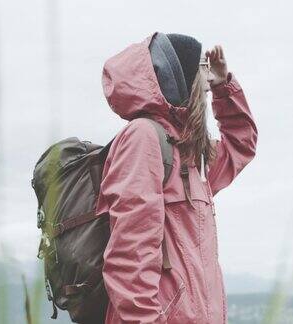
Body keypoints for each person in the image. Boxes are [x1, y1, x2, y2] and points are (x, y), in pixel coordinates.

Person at [95, 32, 258, 323]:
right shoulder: (144, 139)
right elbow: (129, 257)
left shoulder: (191, 153)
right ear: (182, 81)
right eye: (202, 78)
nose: (206, 89)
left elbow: (241, 144)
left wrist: (224, 88)